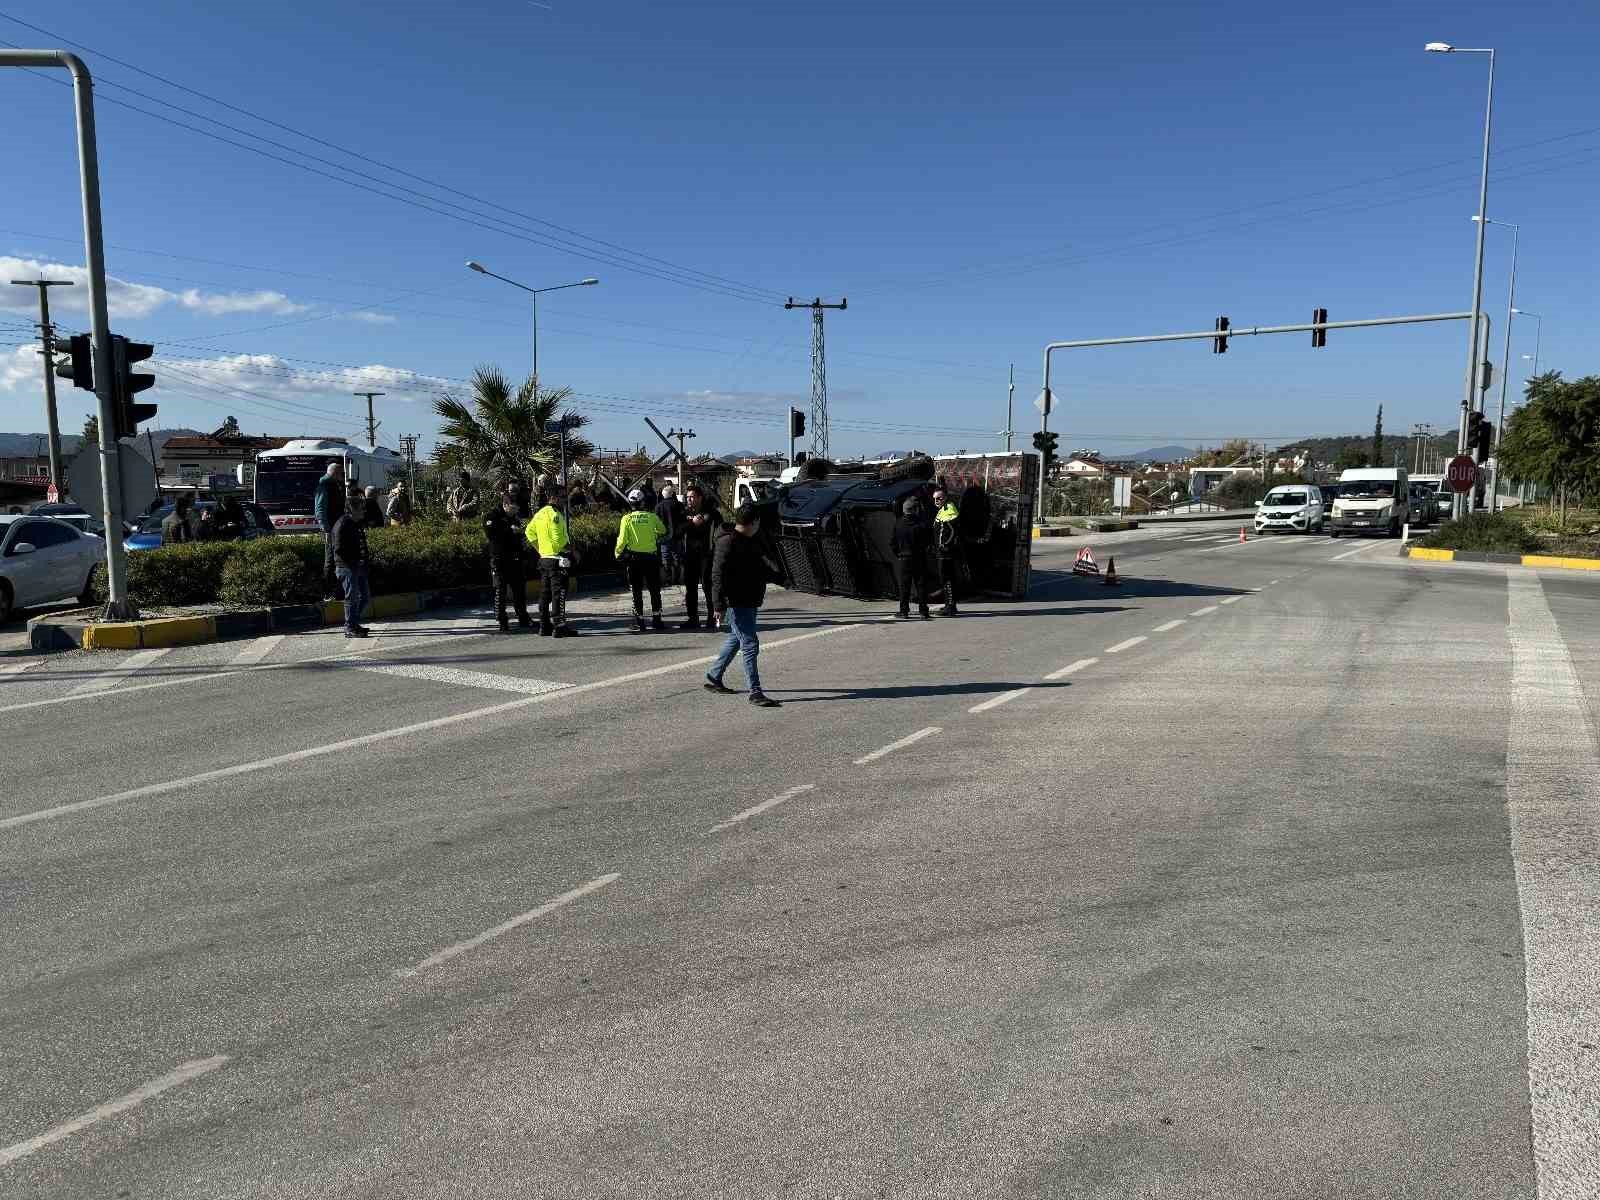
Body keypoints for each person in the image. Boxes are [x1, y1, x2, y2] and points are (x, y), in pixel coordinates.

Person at [705, 503, 779, 708]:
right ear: (753, 522)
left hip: (750, 599)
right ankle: (755, 692)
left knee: (736, 639)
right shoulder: (726, 542)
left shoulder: (751, 539)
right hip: (735, 602)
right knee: (750, 644)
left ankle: (714, 674)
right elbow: (716, 576)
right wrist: (718, 606)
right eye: (758, 523)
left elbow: (762, 562)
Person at [527, 484, 580, 637]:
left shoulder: (541, 513)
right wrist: (573, 551)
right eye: (563, 497)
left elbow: (529, 533)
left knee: (544, 594)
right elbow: (558, 541)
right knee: (559, 593)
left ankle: (544, 626)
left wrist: (540, 550)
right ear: (554, 497)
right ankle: (559, 626)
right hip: (557, 560)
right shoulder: (555, 515)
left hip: (544, 560)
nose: (565, 500)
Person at [615, 488, 669, 632]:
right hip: (651, 558)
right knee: (654, 590)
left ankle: (639, 622)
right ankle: (657, 620)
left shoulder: (626, 519)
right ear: (643, 502)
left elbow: (622, 541)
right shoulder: (652, 517)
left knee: (636, 591)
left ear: (630, 503)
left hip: (634, 560)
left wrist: (617, 554)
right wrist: (653, 534)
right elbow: (663, 530)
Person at [483, 482, 533, 634]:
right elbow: (491, 534)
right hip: (499, 559)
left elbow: (518, 535)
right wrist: (509, 530)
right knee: (501, 591)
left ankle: (523, 617)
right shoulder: (491, 516)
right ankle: (502, 621)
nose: (516, 510)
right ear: (506, 504)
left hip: (515, 559)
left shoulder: (513, 517)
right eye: (513, 508)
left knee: (519, 590)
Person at [331, 481, 373, 639]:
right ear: (352, 510)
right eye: (361, 509)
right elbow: (339, 549)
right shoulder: (342, 525)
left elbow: (362, 544)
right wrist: (354, 562)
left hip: (359, 567)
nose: (364, 511)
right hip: (347, 567)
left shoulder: (356, 523)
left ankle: (354, 622)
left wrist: (364, 561)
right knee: (352, 597)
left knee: (365, 597)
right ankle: (350, 627)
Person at [678, 482, 721, 630]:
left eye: (692, 497)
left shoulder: (712, 513)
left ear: (700, 498)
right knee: (690, 588)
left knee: (708, 587)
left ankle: (712, 617)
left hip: (707, 555)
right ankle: (693, 618)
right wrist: (692, 523)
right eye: (687, 497)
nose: (689, 500)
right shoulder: (683, 514)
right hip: (689, 556)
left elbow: (721, 529)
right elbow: (677, 532)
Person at [891, 496, 932, 620]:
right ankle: (923, 611)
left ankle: (904, 611)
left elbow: (892, 542)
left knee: (905, 586)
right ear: (915, 510)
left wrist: (898, 553)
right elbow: (928, 540)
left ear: (904, 510)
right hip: (919, 557)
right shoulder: (921, 523)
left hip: (904, 558)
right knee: (921, 585)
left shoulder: (898, 523)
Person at [314, 460, 345, 596]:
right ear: (336, 473)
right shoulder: (325, 484)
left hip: (336, 527)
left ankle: (336, 589)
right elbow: (320, 509)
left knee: (337, 557)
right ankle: (327, 591)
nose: (342, 476)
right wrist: (325, 529)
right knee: (330, 559)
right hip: (330, 529)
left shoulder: (333, 484)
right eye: (341, 473)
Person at [932, 486, 962, 616]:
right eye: (934, 499)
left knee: (947, 579)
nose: (936, 501)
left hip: (946, 553)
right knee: (945, 579)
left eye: (939, 498)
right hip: (942, 552)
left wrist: (945, 545)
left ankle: (950, 607)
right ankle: (948, 605)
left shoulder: (949, 509)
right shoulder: (942, 509)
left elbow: (953, 530)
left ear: (945, 498)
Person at [655, 483, 686, 586]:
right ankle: (677, 579)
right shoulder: (679, 505)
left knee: (665, 558)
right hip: (677, 536)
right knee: (677, 557)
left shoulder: (658, 506)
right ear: (672, 494)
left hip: (664, 536)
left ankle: (668, 580)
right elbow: (683, 520)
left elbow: (656, 522)